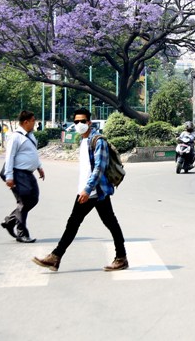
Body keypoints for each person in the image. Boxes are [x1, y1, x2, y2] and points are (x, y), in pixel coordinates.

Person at [32, 107, 128, 272]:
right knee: (108, 222)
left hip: (94, 191)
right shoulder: (84, 141)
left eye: (82, 121)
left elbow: (99, 168)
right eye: (76, 121)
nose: (79, 124)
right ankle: (121, 257)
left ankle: (56, 256)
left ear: (89, 122)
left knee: (75, 222)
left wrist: (87, 189)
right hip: (89, 191)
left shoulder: (98, 141)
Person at [1, 110, 45, 243]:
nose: (34, 123)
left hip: (29, 173)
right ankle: (21, 233)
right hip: (18, 173)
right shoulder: (15, 137)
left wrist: (39, 167)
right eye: (33, 121)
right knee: (24, 202)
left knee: (33, 199)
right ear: (26, 122)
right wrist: (9, 177)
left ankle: (10, 220)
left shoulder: (31, 136)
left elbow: (33, 153)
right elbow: (9, 157)